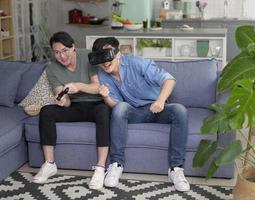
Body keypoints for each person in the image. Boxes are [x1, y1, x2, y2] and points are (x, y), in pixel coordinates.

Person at [91, 37, 190, 192]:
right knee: (121, 108)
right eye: (101, 57)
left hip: (157, 109)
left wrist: (160, 100)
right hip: (134, 111)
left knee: (180, 111)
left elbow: (169, 80)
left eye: (108, 55)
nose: (105, 61)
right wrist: (106, 97)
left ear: (118, 54)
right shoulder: (102, 73)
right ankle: (116, 164)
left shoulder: (136, 63)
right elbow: (116, 106)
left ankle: (175, 169)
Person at [33, 32, 110, 190]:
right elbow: (65, 101)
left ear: (73, 47)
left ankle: (101, 168)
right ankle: (49, 163)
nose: (61, 56)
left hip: (96, 104)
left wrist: (78, 86)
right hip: (74, 107)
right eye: (56, 52)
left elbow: (97, 88)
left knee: (103, 111)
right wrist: (62, 99)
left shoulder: (87, 57)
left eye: (65, 51)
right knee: (46, 111)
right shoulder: (52, 69)